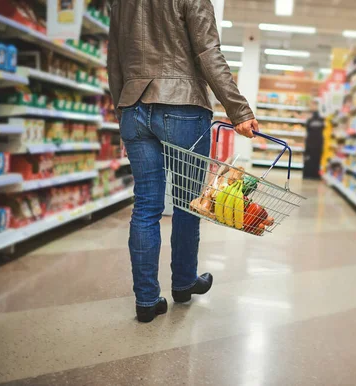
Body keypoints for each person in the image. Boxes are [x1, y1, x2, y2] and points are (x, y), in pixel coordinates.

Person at [107, 0, 259, 323]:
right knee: (189, 202)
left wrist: (122, 113)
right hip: (183, 106)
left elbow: (114, 60)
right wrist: (239, 110)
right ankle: (184, 282)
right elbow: (208, 54)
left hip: (133, 105)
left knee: (146, 205)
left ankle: (146, 301)